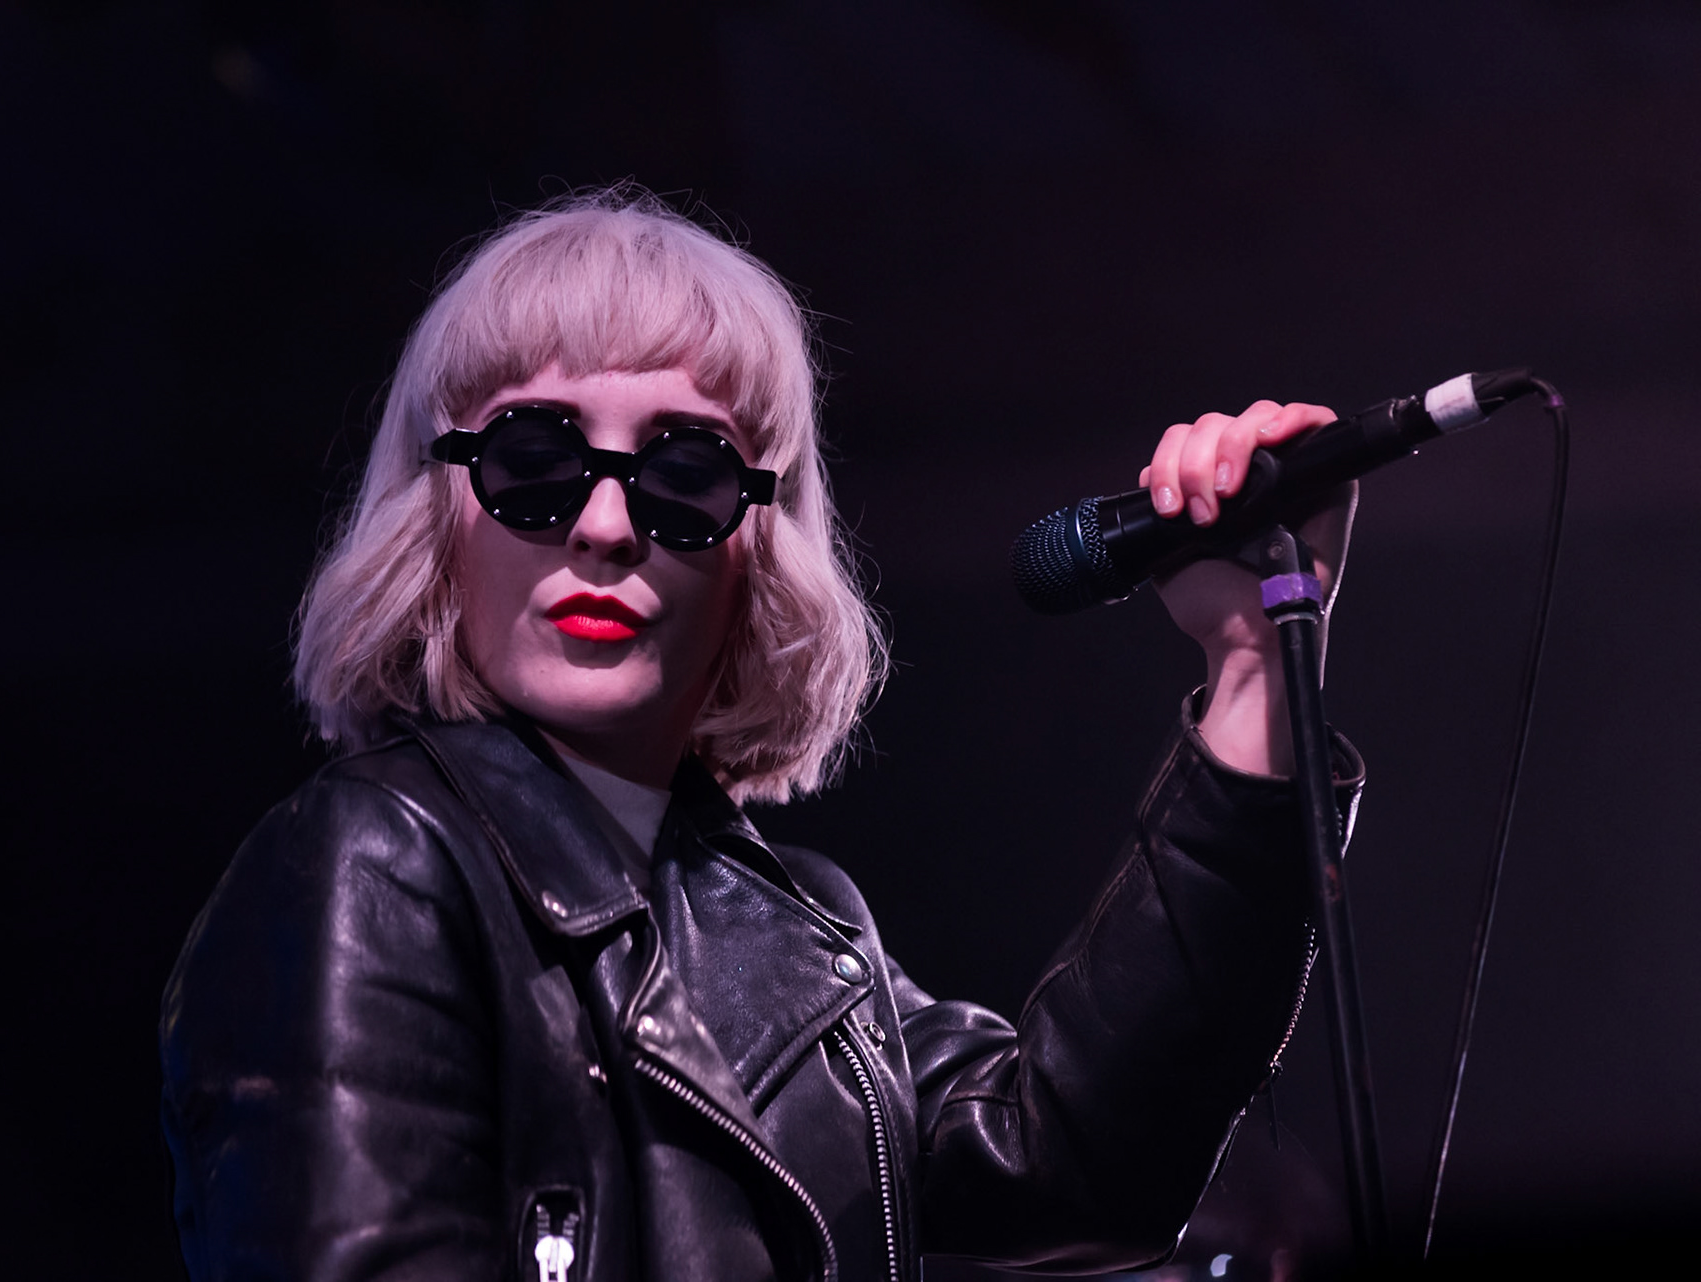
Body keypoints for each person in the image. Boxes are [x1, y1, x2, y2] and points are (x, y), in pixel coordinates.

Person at [159, 189, 1361, 1282]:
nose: (607, 523)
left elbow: (1078, 1169)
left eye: (685, 472)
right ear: (437, 516)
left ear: (759, 548)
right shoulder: (376, 863)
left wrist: (1255, 663)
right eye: (534, 459)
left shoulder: (795, 925)